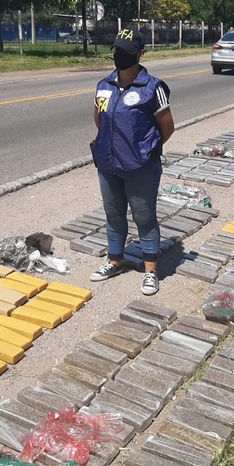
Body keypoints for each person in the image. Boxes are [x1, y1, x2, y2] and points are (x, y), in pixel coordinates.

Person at [89, 28, 175, 295]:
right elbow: (99, 118)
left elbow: (167, 127)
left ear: (140, 54)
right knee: (113, 215)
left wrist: (145, 150)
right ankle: (115, 260)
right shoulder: (104, 86)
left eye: (126, 52)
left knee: (144, 216)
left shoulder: (153, 88)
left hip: (140, 167)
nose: (119, 56)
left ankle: (151, 271)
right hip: (108, 163)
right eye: (117, 50)